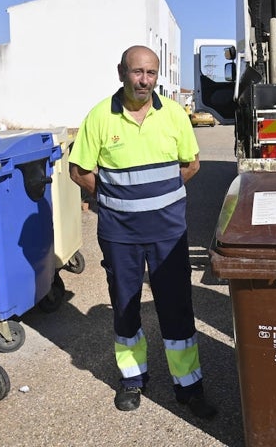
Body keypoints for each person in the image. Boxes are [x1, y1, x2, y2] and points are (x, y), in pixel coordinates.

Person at [68, 45, 217, 419]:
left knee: (177, 307)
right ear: (121, 72)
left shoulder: (174, 117)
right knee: (126, 306)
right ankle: (133, 380)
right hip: (120, 234)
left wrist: (160, 198)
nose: (144, 81)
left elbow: (192, 164)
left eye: (151, 73)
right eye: (137, 72)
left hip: (168, 232)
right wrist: (115, 199)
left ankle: (189, 386)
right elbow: (79, 170)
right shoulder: (100, 116)